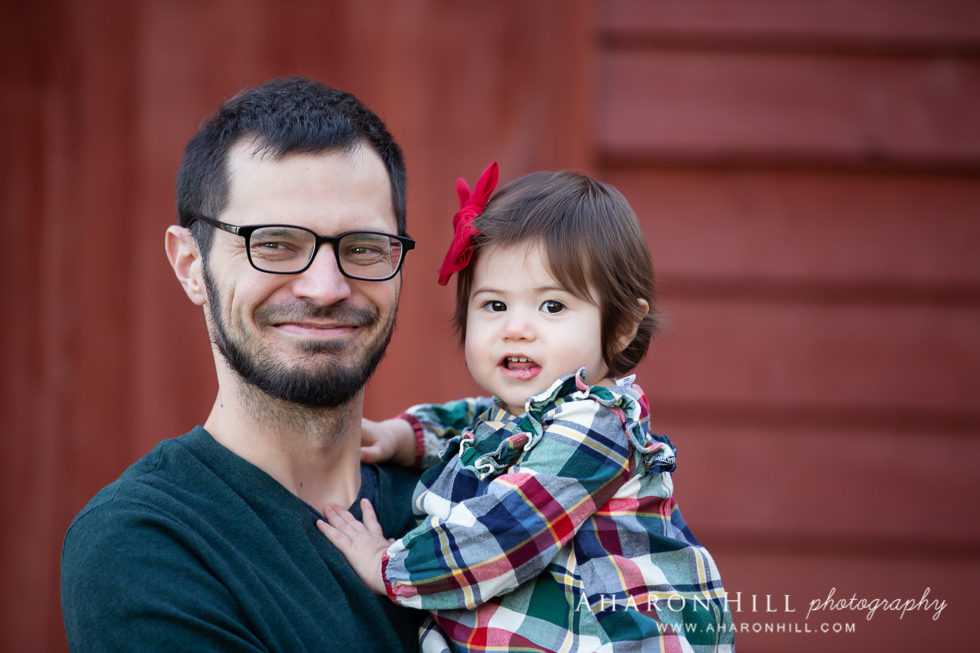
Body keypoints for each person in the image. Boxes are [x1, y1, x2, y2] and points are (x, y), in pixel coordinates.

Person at [61, 77, 426, 652]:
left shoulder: (474, 497)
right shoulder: (150, 542)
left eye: (362, 247)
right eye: (274, 243)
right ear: (190, 265)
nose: (327, 288)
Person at [318, 163, 736, 652]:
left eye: (552, 306)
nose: (517, 327)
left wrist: (386, 565)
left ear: (621, 327)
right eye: (495, 305)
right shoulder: (528, 418)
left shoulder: (596, 428)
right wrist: (407, 434)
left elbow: (501, 535)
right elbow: (475, 419)